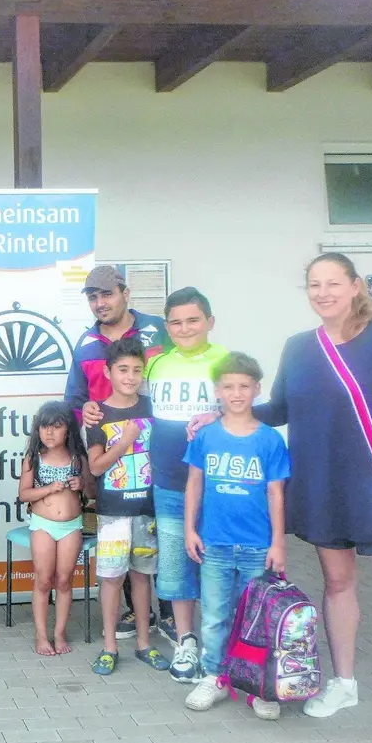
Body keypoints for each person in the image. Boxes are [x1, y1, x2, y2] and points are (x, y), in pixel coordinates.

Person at [191, 253, 372, 743]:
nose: (323, 292)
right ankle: (345, 683)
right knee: (337, 585)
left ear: (356, 287)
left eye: (333, 283)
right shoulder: (299, 348)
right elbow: (283, 409)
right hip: (324, 484)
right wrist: (224, 414)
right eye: (314, 284)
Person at [180, 352, 291, 721]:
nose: (237, 393)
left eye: (244, 386)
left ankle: (257, 684)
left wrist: (278, 543)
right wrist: (189, 529)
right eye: (228, 386)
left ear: (257, 389)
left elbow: (276, 493)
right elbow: (194, 484)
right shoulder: (206, 436)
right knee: (214, 614)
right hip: (214, 543)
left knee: (257, 618)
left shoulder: (270, 440)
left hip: (257, 546)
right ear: (217, 391)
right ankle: (215, 675)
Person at [69, 264, 173, 643]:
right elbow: (75, 400)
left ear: (125, 293)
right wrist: (89, 415)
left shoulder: (159, 330)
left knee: (165, 534)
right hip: (113, 462)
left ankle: (172, 614)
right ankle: (133, 612)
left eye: (106, 294)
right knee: (126, 545)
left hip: (162, 449)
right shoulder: (84, 343)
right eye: (93, 297)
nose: (100, 303)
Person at [144, 287, 231, 684]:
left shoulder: (228, 362)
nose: (185, 328)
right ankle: (186, 640)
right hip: (169, 480)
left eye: (193, 320)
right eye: (176, 322)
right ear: (166, 327)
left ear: (210, 321)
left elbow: (245, 412)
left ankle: (220, 648)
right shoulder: (156, 364)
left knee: (217, 565)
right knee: (177, 565)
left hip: (220, 482)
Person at [85, 337, 169, 675]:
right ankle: (109, 646)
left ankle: (144, 644)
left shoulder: (153, 408)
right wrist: (124, 441)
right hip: (113, 514)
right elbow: (96, 467)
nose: (130, 376)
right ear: (108, 371)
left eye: (137, 370)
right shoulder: (98, 414)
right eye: (123, 369)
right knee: (111, 577)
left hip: (146, 511)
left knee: (142, 576)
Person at [17, 400, 92, 657]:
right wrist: (49, 489)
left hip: (71, 526)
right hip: (42, 525)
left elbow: (92, 492)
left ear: (68, 430)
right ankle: (41, 635)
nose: (49, 433)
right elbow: (24, 494)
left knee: (64, 580)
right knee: (43, 579)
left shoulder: (77, 458)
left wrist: (81, 485)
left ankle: (59, 632)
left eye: (56, 427)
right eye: (44, 427)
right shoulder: (33, 458)